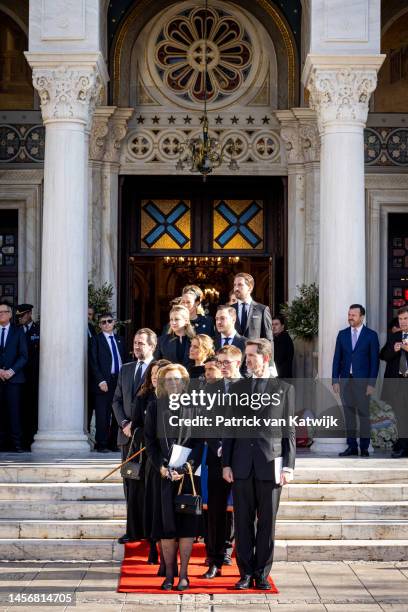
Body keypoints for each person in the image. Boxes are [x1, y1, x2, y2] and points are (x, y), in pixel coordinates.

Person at [222, 339, 295, 590]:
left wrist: (289, 466)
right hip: (241, 465)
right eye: (247, 355)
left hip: (270, 464)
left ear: (265, 358)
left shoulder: (284, 389)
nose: (248, 359)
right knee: (242, 522)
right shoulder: (238, 387)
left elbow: (289, 432)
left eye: (252, 355)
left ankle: (262, 574)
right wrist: (226, 463)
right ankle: (244, 573)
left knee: (266, 523)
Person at [144, 363, 203, 591]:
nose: (173, 383)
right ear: (162, 383)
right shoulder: (155, 407)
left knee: (186, 526)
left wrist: (188, 465)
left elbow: (199, 442)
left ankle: (184, 575)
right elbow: (149, 443)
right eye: (168, 380)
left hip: (188, 475)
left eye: (177, 379)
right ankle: (169, 574)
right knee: (166, 526)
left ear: (184, 382)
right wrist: (160, 467)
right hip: (164, 475)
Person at [112, 328, 157, 545]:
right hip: (127, 437)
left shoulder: (160, 369)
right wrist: (124, 423)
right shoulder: (126, 369)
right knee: (130, 484)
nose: (137, 346)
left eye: (141, 343)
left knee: (149, 486)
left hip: (149, 438)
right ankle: (132, 530)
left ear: (152, 346)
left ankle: (150, 530)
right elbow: (117, 401)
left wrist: (140, 426)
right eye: (135, 342)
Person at [202, 344, 243, 579]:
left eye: (226, 362)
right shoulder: (211, 388)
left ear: (238, 363)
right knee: (216, 512)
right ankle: (215, 560)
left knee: (243, 511)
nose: (222, 366)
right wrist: (218, 447)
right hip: (216, 459)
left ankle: (245, 564)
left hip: (242, 459)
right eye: (220, 362)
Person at [332, 304, 380, 457]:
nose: (350, 317)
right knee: (349, 416)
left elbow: (375, 362)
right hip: (346, 381)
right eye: (349, 314)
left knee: (364, 416)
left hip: (363, 382)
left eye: (353, 315)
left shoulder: (371, 335)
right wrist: (335, 380)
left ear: (362, 317)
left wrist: (372, 384)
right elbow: (337, 359)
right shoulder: (342, 334)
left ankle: (364, 447)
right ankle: (352, 446)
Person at [89, 312, 126, 452]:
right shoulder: (95, 340)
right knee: (102, 414)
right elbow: (93, 362)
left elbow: (124, 360)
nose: (106, 324)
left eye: (109, 321)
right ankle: (101, 444)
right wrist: (100, 380)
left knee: (117, 412)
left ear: (114, 322)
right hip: (104, 382)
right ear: (99, 325)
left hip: (119, 380)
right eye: (103, 322)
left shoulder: (120, 340)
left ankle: (113, 443)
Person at [0, 300, 28, 453]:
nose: (1, 314)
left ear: (10, 314)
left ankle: (17, 444)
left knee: (14, 412)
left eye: (3, 312)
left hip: (14, 379)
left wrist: (11, 371)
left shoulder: (18, 332)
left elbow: (24, 356)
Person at [380, 306, 408, 457]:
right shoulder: (394, 337)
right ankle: (403, 446)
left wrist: (405, 346)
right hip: (397, 383)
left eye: (406, 318)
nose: (403, 322)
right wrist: (394, 350)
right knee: (401, 416)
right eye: (401, 319)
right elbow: (383, 355)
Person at [16, 303, 40, 449]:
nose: (20, 319)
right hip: (19, 375)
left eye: (22, 316)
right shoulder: (16, 331)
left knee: (33, 408)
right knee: (20, 408)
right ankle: (22, 440)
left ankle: (31, 438)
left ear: (29, 314)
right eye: (18, 316)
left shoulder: (39, 330)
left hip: (34, 376)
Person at [231, 273, 273, 341]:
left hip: (254, 351)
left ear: (250, 287)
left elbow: (268, 339)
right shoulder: (229, 309)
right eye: (234, 285)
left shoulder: (262, 310)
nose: (236, 288)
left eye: (240, 284)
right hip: (234, 351)